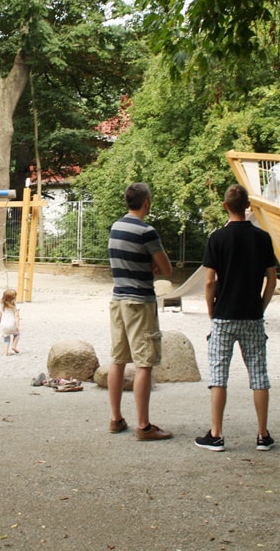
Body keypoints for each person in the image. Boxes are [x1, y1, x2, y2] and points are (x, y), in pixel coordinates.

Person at [194, 184, 278, 452]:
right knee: (259, 374)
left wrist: (211, 309)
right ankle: (262, 434)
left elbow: (209, 282)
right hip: (252, 315)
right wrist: (261, 306)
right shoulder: (262, 238)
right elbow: (272, 280)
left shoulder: (217, 238)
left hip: (224, 315)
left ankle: (216, 434)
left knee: (219, 374)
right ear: (247, 207)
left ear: (225, 206)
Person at [107, 182, 173, 441]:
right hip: (140, 302)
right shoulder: (147, 231)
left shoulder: (116, 227)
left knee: (118, 359)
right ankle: (144, 426)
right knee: (144, 362)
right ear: (146, 202)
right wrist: (152, 266)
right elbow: (165, 268)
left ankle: (116, 419)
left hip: (118, 300)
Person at [0, 288, 21, 356]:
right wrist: (17, 326)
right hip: (12, 324)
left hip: (4, 325)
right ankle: (14, 346)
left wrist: (0, 322)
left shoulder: (2, 306)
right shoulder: (15, 306)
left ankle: (5, 353)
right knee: (17, 334)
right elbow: (17, 317)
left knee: (6, 339)